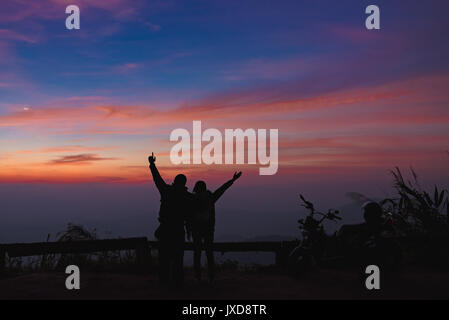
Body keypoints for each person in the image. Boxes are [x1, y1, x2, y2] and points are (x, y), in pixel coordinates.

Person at [148, 152, 193, 287]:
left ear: (175, 181)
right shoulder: (187, 197)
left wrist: (152, 165)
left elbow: (157, 179)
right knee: (178, 258)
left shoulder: (167, 191)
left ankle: (164, 282)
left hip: (165, 229)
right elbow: (192, 212)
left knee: (164, 258)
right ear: (184, 183)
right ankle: (177, 283)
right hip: (178, 230)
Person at [189, 171, 242, 282]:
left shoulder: (192, 200)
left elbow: (188, 216)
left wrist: (188, 229)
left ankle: (197, 276)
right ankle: (211, 276)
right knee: (209, 253)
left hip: (196, 230)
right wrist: (233, 180)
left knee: (197, 253)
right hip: (208, 230)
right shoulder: (210, 198)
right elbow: (222, 189)